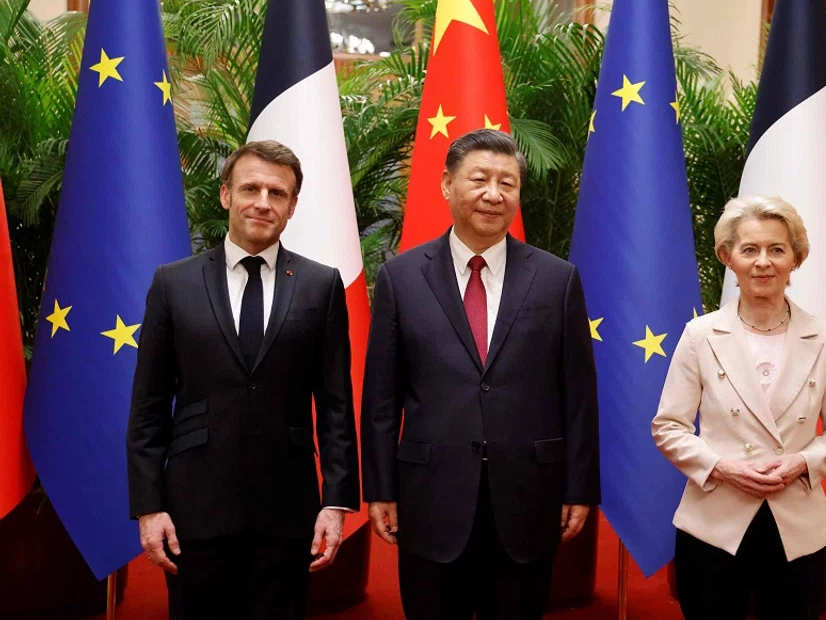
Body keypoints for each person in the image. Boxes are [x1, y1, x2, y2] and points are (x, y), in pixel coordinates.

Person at [360, 129, 600, 620]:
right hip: (430, 498)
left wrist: (579, 488)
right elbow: (381, 398)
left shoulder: (558, 280)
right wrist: (381, 487)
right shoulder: (400, 278)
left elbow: (578, 394)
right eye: (480, 179)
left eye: (507, 183)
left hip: (528, 498)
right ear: (447, 184)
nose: (494, 194)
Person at [126, 140, 360, 620]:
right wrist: (149, 507)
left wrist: (336, 503)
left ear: (293, 206)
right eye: (250, 188)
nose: (263, 202)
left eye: (277, 193)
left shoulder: (321, 284)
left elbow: (336, 406)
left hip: (287, 511)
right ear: (225, 195)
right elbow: (149, 405)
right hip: (195, 508)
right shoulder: (174, 283)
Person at [652, 195, 826, 620]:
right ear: (728, 257)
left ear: (796, 259)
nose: (763, 262)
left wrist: (802, 462)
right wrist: (723, 468)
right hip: (714, 522)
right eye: (750, 249)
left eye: (776, 249)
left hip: (797, 525)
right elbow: (669, 427)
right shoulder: (700, 335)